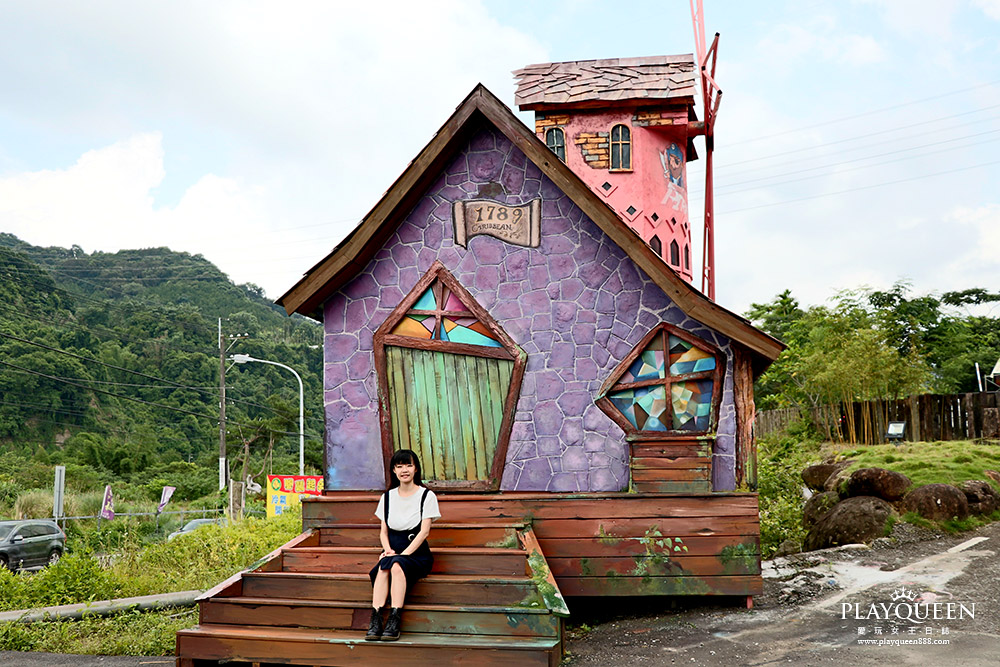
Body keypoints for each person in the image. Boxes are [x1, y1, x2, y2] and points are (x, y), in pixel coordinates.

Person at [366, 449, 440, 641]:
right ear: (394, 471)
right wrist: (388, 550)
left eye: (408, 465)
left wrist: (402, 554)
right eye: (399, 466)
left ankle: (395, 618)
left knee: (396, 565)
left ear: (416, 469)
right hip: (392, 550)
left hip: (416, 553)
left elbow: (424, 532)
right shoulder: (387, 497)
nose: (404, 470)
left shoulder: (427, 496)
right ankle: (375, 619)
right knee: (383, 567)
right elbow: (383, 532)